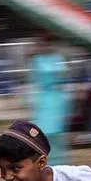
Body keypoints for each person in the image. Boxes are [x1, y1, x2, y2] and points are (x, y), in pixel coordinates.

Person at [28, 34, 72, 165]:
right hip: (43, 97)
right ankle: (46, 159)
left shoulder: (56, 58)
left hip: (55, 96)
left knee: (56, 131)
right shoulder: (37, 60)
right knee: (43, 131)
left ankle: (59, 161)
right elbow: (36, 78)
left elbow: (61, 73)